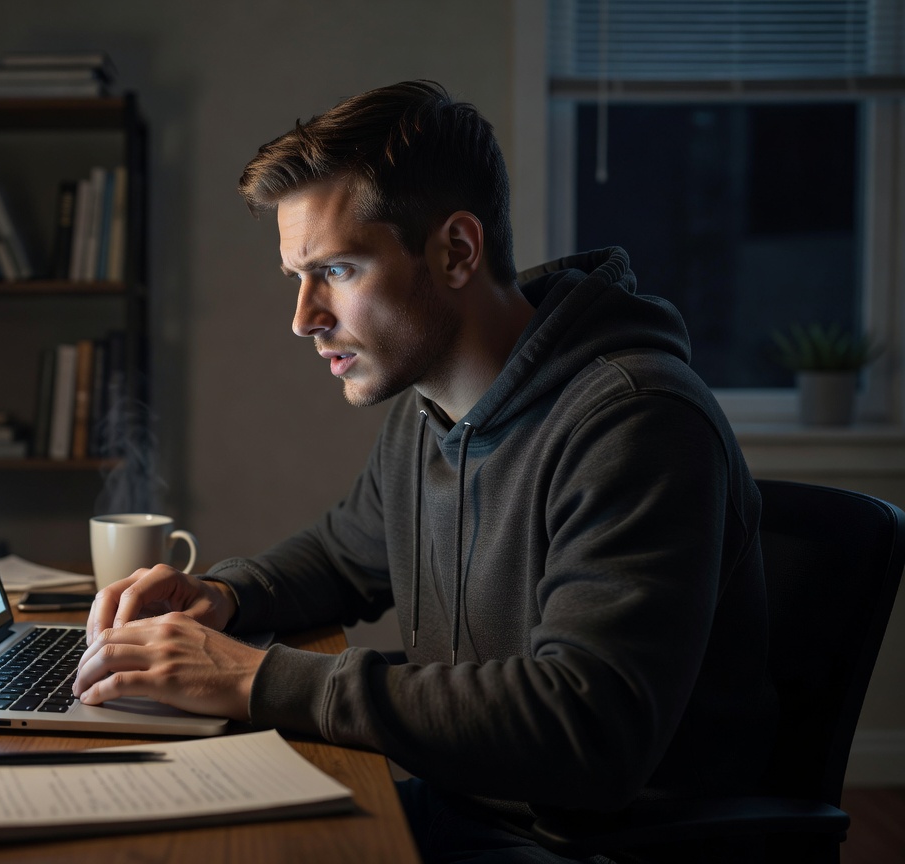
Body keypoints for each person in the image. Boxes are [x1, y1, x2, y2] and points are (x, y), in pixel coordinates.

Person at [73, 80, 776, 862]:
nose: (304, 317)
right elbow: (344, 553)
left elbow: (587, 729)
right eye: (297, 277)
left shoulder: (637, 420)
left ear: (456, 251)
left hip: (597, 845)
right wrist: (225, 594)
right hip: (469, 809)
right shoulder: (430, 407)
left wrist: (255, 678)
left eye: (336, 270)